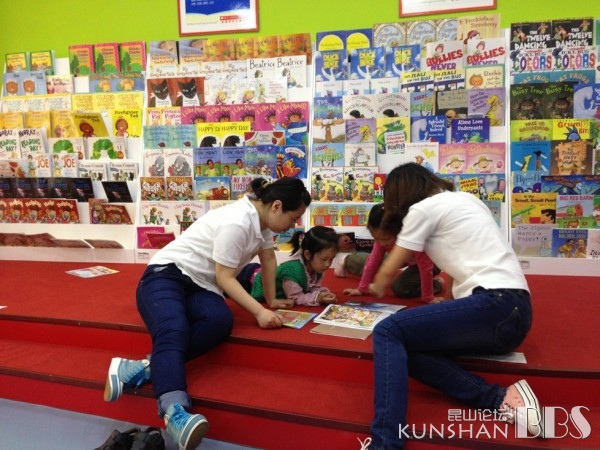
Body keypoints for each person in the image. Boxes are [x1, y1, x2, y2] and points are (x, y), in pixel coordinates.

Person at [103, 177, 311, 450]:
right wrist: (259, 311)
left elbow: (268, 258)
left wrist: (272, 299)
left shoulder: (262, 223)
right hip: (166, 274)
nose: (294, 225)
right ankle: (175, 412)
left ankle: (141, 368)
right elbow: (225, 278)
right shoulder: (238, 222)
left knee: (219, 321)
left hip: (202, 285)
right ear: (276, 206)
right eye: (293, 218)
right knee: (174, 328)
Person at [363, 163, 542, 450]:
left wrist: (376, 284)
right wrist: (445, 305)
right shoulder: (467, 200)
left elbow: (392, 264)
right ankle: (499, 399)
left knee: (387, 331)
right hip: (514, 315)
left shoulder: (423, 209)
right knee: (405, 349)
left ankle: (385, 443)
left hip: (494, 303)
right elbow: (458, 265)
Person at [337, 203, 444, 303]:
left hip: (432, 261)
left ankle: (436, 284)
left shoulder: (415, 238)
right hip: (409, 258)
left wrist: (428, 297)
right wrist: (362, 289)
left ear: (400, 231)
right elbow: (373, 262)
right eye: (376, 239)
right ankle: (348, 260)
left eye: (387, 239)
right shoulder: (382, 240)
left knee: (400, 288)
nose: (382, 243)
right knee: (382, 263)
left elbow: (426, 268)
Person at [238, 226, 339, 307]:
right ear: (308, 255)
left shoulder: (318, 268)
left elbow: (313, 288)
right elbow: (296, 298)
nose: (328, 264)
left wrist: (321, 294)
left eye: (331, 259)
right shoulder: (292, 271)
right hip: (249, 277)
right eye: (324, 259)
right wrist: (318, 298)